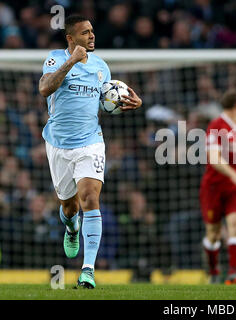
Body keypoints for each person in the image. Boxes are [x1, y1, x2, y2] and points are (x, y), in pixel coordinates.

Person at [38, 15, 142, 288]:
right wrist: (71, 60)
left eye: (92, 31)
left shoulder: (101, 67)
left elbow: (106, 102)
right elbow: (44, 88)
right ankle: (71, 228)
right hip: (58, 144)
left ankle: (88, 271)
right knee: (69, 207)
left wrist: (128, 103)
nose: (92, 36)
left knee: (90, 199)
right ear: (71, 39)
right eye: (85, 33)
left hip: (90, 142)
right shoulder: (54, 58)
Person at [199, 90, 236, 284]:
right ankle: (213, 271)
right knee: (213, 233)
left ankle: (233, 273)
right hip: (213, 188)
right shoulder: (216, 126)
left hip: (235, 188)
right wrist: (235, 175)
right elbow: (213, 158)